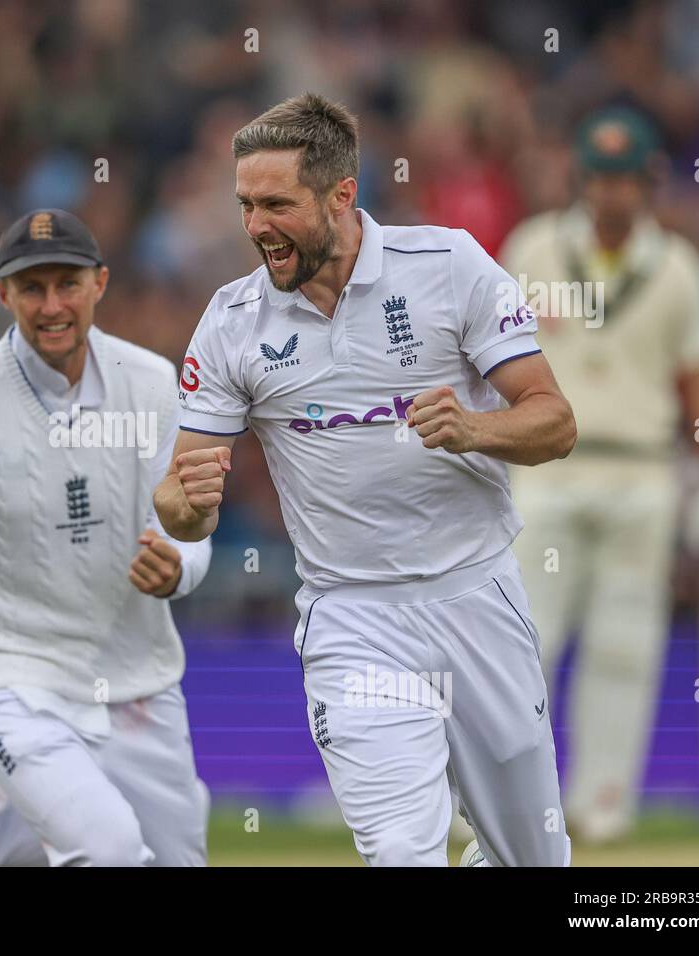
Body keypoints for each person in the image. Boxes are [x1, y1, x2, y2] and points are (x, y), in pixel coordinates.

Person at [155, 93, 577, 867]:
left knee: (535, 858)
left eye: (277, 204)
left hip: (475, 593)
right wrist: (186, 510)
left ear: (342, 194)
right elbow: (180, 502)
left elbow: (555, 422)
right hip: (352, 618)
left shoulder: (448, 265)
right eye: (245, 205)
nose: (256, 228)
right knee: (401, 853)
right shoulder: (230, 320)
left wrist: (475, 429)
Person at [0, 209, 212, 866]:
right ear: (3, 294)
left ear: (100, 283)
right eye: (32, 288)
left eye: (68, 284)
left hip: (137, 677)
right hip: (4, 679)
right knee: (105, 851)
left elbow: (186, 517)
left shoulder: (152, 382)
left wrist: (183, 568)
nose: (52, 306)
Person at [499, 107, 699, 843]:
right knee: (520, 641)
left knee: (624, 649)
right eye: (600, 179)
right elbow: (487, 360)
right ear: (581, 179)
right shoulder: (533, 247)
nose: (612, 194)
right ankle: (499, 804)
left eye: (625, 180)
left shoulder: (675, 267)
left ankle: (601, 809)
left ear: (650, 182)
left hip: (642, 472)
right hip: (543, 467)